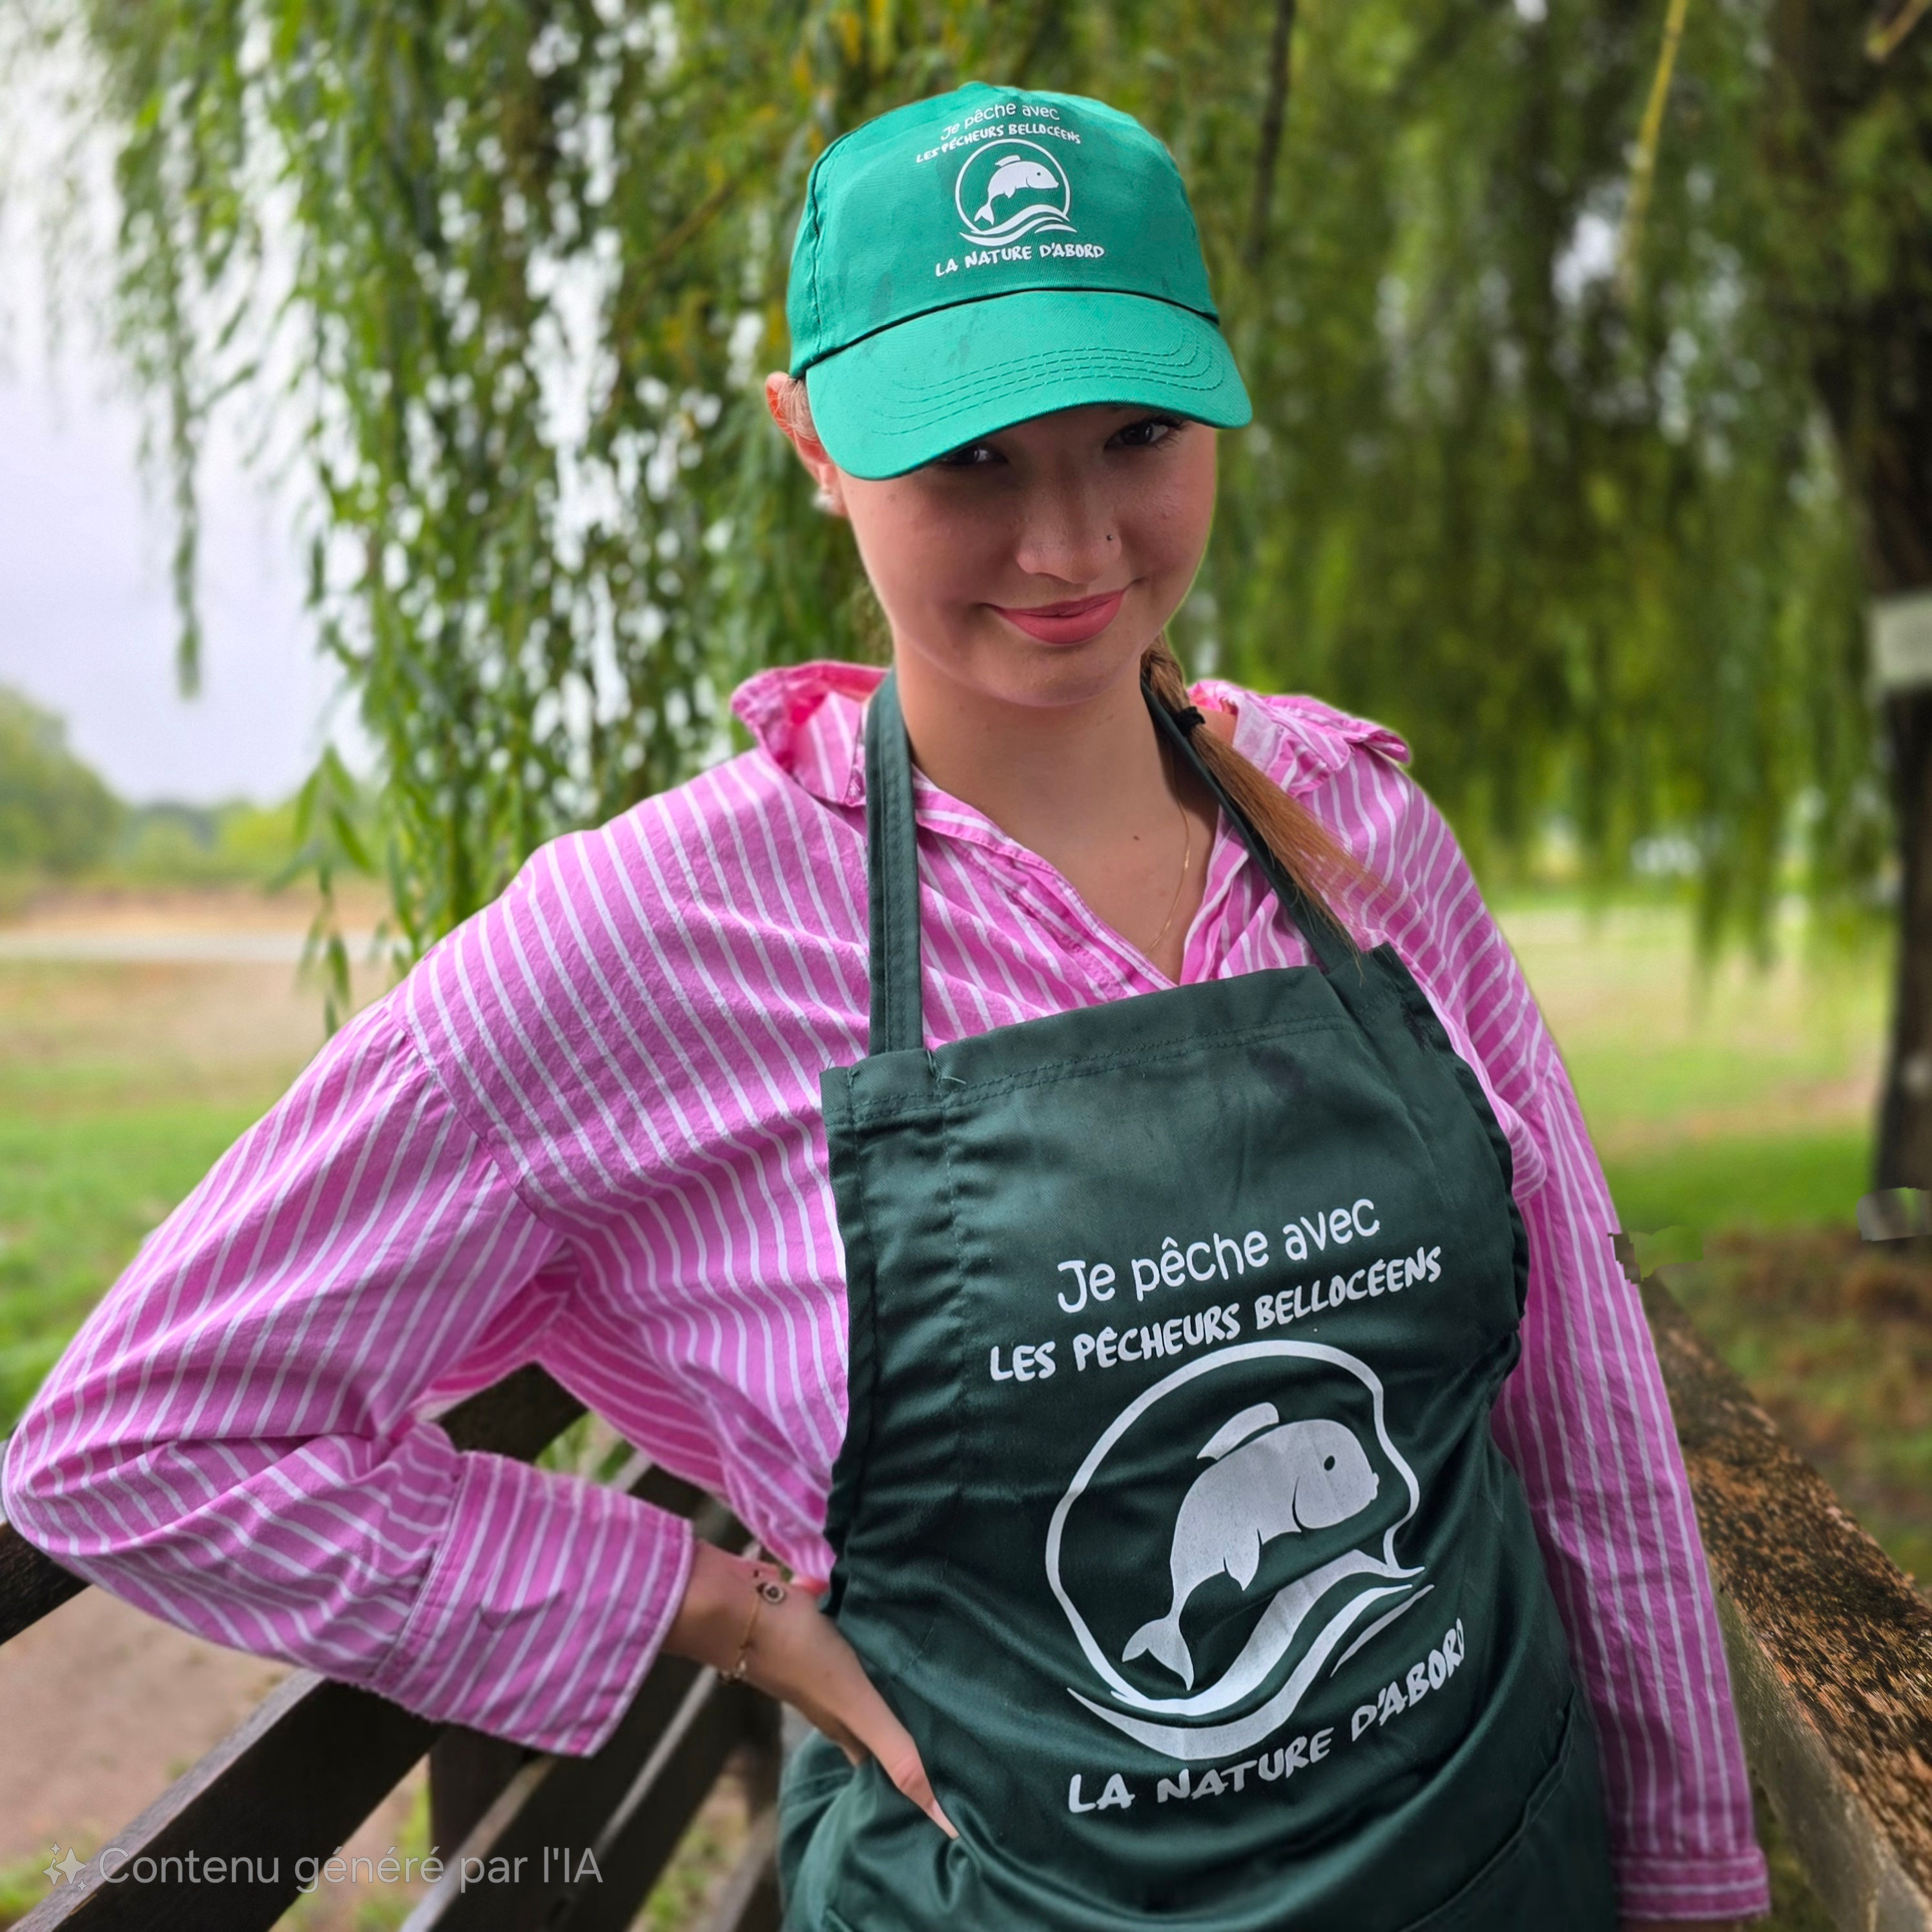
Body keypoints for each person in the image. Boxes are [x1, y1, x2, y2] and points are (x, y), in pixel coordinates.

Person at [0, 82, 1769, 1930]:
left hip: (1500, 1861)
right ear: (813, 444)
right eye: (971, 460)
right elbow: (139, 1440)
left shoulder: (1358, 822)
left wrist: (1697, 1878)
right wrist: (707, 1610)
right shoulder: (649, 938)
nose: (1073, 546)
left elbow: (1577, 1385)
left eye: (1137, 435)